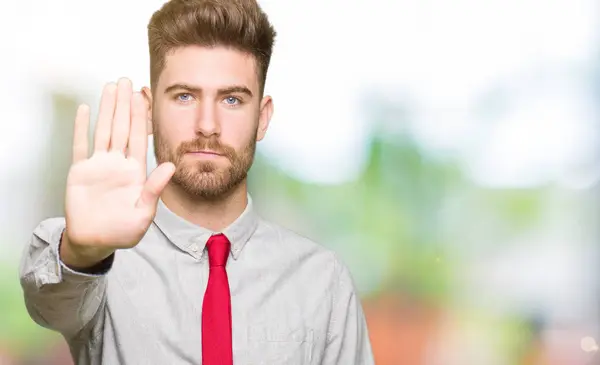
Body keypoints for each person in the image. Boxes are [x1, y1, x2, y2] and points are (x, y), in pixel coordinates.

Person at [19, 0, 375, 364]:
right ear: (150, 108)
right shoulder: (100, 261)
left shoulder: (323, 282)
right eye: (185, 96)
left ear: (262, 118)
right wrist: (81, 254)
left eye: (232, 99)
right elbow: (50, 302)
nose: (208, 124)